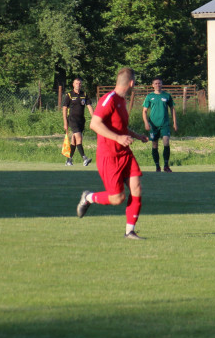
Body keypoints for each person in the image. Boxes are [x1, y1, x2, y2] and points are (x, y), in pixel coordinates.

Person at [76, 68, 149, 239]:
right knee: (117, 198)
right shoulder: (108, 99)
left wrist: (137, 136)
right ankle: (88, 197)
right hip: (109, 156)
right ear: (131, 83)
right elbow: (94, 124)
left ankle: (129, 231)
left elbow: (120, 128)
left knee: (136, 187)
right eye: (135, 83)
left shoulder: (121, 101)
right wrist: (118, 138)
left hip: (124, 153)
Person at [142, 78, 177, 172]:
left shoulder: (167, 95)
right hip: (153, 125)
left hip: (164, 124)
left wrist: (175, 123)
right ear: (153, 85)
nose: (158, 85)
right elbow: (144, 111)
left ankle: (166, 165)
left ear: (162, 84)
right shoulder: (149, 96)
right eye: (156, 83)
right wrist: (146, 123)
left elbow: (172, 109)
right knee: (154, 144)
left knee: (166, 142)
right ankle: (157, 166)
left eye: (159, 83)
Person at [62, 78, 94, 167]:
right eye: (76, 83)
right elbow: (64, 108)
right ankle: (85, 158)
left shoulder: (84, 94)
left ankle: (69, 160)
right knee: (79, 138)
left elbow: (89, 107)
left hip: (81, 120)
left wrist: (94, 118)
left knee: (74, 140)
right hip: (72, 119)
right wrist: (65, 122)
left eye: (80, 83)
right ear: (73, 84)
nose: (78, 85)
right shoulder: (69, 95)